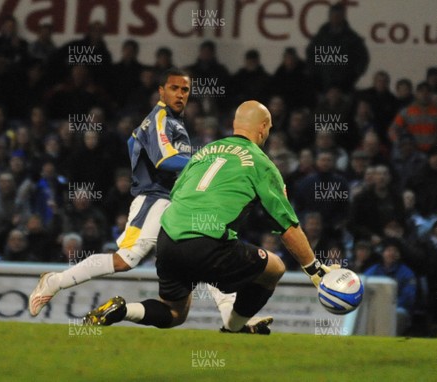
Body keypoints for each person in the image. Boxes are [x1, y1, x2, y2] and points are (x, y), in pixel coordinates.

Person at [28, 69, 263, 331]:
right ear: (161, 91)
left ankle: (233, 318)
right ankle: (55, 281)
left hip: (175, 202)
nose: (180, 94)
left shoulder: (173, 122)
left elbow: (133, 142)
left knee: (206, 248)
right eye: (174, 88)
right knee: (125, 259)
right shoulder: (160, 118)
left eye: (185, 90)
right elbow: (164, 159)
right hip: (155, 200)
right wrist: (202, 160)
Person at [83, 100, 339, 334]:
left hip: (169, 240)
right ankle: (233, 328)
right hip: (207, 243)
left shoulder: (203, 153)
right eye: (269, 128)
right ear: (262, 128)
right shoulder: (261, 163)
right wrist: (316, 272)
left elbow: (177, 192)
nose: (268, 133)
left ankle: (122, 309)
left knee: (174, 313)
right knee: (274, 268)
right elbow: (287, 226)